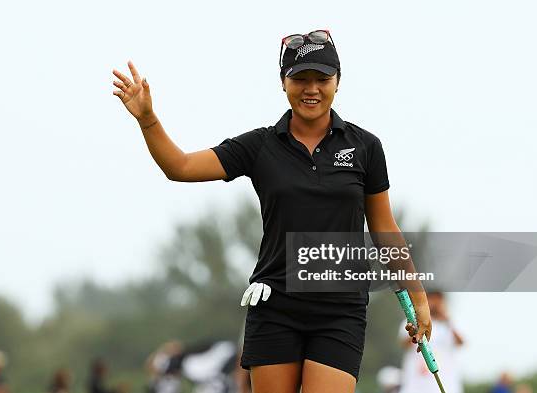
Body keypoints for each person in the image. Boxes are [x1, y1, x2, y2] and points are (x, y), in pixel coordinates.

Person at [112, 29, 432, 393]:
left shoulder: (365, 147)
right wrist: (147, 119)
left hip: (341, 309)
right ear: (283, 82)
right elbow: (181, 167)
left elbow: (384, 228)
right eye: (300, 79)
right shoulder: (260, 146)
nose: (311, 89)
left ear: (338, 82)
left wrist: (418, 297)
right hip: (275, 304)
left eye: (322, 79)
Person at [399, 291, 464, 393]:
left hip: (446, 382)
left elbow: (461, 342)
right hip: (416, 383)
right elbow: (404, 344)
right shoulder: (411, 321)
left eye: (438, 301)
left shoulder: (450, 322)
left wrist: (448, 322)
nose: (435, 304)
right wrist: (416, 329)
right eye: (432, 300)